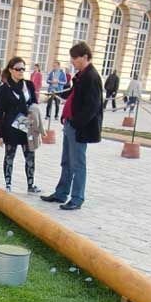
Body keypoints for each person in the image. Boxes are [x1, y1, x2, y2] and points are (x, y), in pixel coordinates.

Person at [41, 41, 103, 211]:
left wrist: (76, 123)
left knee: (78, 164)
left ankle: (77, 198)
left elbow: (93, 106)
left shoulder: (92, 76)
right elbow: (73, 94)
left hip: (79, 127)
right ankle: (61, 193)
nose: (73, 62)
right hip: (70, 124)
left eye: (75, 58)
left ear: (84, 56)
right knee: (66, 162)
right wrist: (56, 93)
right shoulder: (81, 75)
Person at [0, 56, 41, 194]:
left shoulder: (29, 85)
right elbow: (0, 113)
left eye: (23, 69)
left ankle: (31, 184)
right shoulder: (3, 90)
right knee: (10, 155)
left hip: (27, 123)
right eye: (18, 69)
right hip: (11, 125)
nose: (21, 71)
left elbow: (34, 104)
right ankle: (8, 183)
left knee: (30, 155)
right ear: (10, 70)